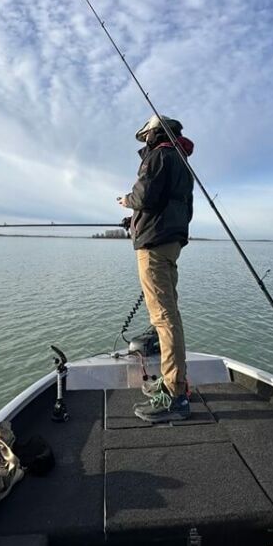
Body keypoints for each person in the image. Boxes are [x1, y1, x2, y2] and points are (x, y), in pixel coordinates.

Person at [117, 114, 194, 423]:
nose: (144, 141)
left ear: (154, 133)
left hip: (154, 247)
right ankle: (172, 382)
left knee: (164, 319)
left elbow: (144, 196)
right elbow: (166, 204)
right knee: (169, 315)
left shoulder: (160, 154)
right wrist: (135, 221)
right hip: (171, 243)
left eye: (145, 135)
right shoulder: (181, 161)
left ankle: (175, 396)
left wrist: (126, 201)